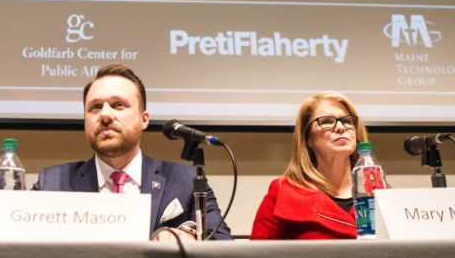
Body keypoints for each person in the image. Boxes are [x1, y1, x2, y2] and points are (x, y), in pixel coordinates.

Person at [33, 64, 231, 240]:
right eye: (95, 107)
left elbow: (223, 247)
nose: (105, 115)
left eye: (118, 105)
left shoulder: (184, 180)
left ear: (144, 119)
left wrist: (187, 234)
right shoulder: (52, 183)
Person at [250, 92, 369, 240]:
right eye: (326, 121)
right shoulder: (284, 192)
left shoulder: (378, 191)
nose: (340, 127)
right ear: (308, 138)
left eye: (347, 121)